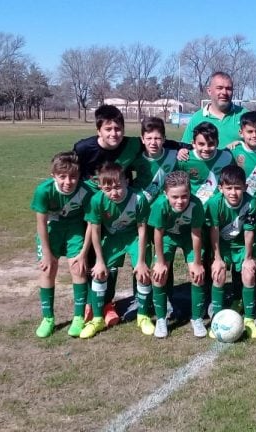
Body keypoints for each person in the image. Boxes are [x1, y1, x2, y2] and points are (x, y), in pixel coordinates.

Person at [81, 162, 152, 339]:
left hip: (134, 237)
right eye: (108, 188)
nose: (114, 192)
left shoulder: (139, 198)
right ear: (100, 186)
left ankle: (143, 317)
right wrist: (98, 260)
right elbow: (95, 231)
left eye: (118, 186)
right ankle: (97, 319)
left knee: (143, 273)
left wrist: (142, 261)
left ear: (127, 181)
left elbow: (142, 229)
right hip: (111, 239)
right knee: (99, 273)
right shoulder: (97, 200)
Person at [30, 151, 93, 338]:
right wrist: (47, 252)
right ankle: (48, 318)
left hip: (74, 228)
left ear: (79, 176)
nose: (68, 181)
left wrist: (83, 253)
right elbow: (41, 223)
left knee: (78, 269)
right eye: (62, 177)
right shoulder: (44, 191)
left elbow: (91, 223)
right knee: (48, 270)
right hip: (52, 229)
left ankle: (78, 317)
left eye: (73, 177)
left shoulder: (86, 191)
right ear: (53, 176)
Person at [148, 171, 206, 339]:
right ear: (166, 194)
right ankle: (161, 319)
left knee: (197, 275)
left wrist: (196, 262)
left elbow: (196, 234)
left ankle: (197, 318)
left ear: (190, 193)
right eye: (175, 197)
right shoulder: (160, 205)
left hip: (188, 238)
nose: (180, 201)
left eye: (184, 196)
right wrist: (159, 262)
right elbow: (157, 234)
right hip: (167, 237)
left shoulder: (196, 204)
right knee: (159, 275)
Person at [206, 165, 256, 339]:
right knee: (218, 273)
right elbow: (213, 231)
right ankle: (217, 317)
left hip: (242, 245)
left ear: (245, 187)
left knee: (249, 273)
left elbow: (249, 231)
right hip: (222, 245)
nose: (233, 192)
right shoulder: (214, 203)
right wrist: (217, 258)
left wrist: (248, 258)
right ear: (220, 188)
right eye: (229, 188)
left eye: (237, 188)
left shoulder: (252, 202)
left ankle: (250, 319)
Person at [72, 105, 183, 185]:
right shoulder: (82, 148)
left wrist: (182, 149)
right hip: (94, 200)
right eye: (108, 129)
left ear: (124, 130)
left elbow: (163, 142)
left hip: (124, 199)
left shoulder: (133, 144)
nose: (113, 134)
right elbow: (72, 173)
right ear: (98, 131)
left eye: (118, 129)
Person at [181, 71, 248, 147]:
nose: (224, 92)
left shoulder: (245, 115)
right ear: (209, 91)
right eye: (219, 88)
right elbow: (185, 148)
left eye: (228, 89)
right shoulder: (197, 118)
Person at [176, 122, 234, 206]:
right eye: (201, 144)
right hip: (193, 207)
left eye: (211, 144)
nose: (206, 148)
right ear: (193, 143)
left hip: (217, 207)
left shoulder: (227, 157)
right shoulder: (185, 159)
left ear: (217, 143)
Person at [131, 117, 182, 203]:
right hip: (142, 205)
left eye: (157, 138)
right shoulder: (136, 159)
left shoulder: (174, 155)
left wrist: (183, 150)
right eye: (149, 138)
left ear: (164, 139)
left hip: (165, 206)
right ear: (142, 139)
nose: (153, 143)